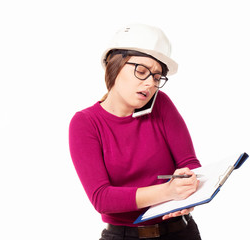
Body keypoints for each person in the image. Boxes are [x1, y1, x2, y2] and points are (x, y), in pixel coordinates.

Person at [69, 24, 202, 240]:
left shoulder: (161, 105)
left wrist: (189, 192)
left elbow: (189, 162)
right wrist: (168, 192)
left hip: (181, 232)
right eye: (141, 71)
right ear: (115, 65)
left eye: (157, 77)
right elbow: (101, 198)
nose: (150, 83)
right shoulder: (85, 123)